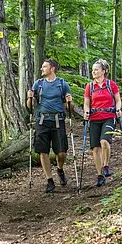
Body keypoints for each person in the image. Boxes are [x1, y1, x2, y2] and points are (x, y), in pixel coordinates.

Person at [26, 59, 73, 193]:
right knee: (43, 151)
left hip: (58, 120)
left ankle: (59, 169)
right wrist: (29, 98)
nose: (42, 69)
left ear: (52, 69)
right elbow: (29, 107)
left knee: (62, 152)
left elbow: (70, 108)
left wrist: (70, 101)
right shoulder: (38, 84)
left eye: (44, 67)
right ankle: (49, 180)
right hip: (42, 120)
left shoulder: (62, 84)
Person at [83, 59, 122, 187]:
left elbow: (117, 100)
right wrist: (86, 112)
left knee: (104, 141)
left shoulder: (111, 85)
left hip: (109, 116)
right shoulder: (90, 86)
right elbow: (87, 103)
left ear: (103, 71)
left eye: (96, 70)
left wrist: (118, 109)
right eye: (93, 70)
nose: (93, 72)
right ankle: (100, 175)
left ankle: (106, 165)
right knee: (95, 147)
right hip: (94, 118)